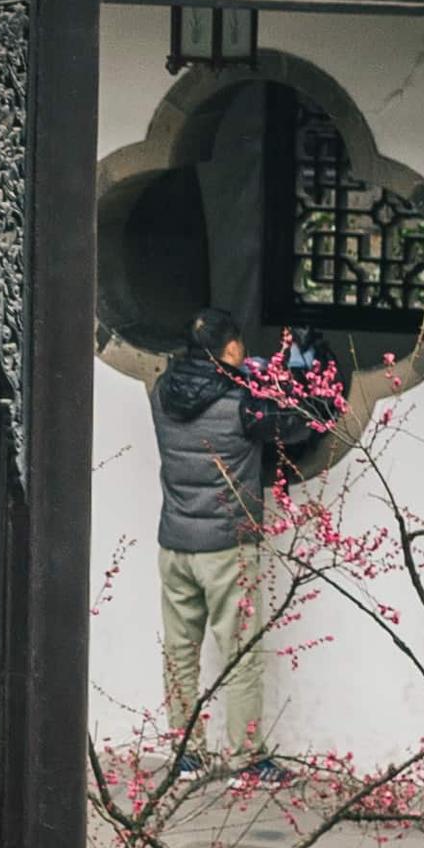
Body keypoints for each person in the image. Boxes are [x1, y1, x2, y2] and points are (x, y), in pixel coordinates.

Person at [152, 318, 276, 767]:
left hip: (175, 542)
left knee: (179, 650)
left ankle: (186, 754)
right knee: (240, 653)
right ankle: (246, 758)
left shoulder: (161, 393)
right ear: (229, 349)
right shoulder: (244, 402)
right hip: (227, 546)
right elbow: (291, 428)